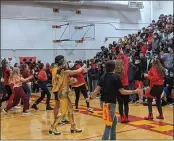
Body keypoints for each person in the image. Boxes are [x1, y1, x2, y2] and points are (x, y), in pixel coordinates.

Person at [86, 60, 140, 140]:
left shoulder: (103, 76)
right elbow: (123, 91)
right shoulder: (115, 77)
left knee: (114, 121)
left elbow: (97, 90)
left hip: (103, 102)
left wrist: (90, 98)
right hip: (110, 104)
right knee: (108, 125)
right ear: (114, 67)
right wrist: (134, 91)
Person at [49, 55, 86, 135]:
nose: (67, 62)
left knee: (70, 109)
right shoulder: (64, 71)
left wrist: (71, 81)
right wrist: (82, 67)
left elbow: (63, 82)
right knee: (63, 112)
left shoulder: (57, 70)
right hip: (62, 93)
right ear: (62, 62)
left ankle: (73, 126)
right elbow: (77, 71)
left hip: (62, 92)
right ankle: (53, 127)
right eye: (65, 60)